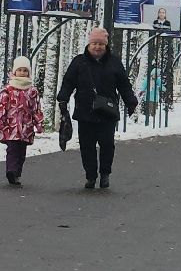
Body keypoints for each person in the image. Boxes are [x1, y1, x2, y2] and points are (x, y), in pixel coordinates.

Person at [57, 27, 139, 191]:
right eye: (94, 43)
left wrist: (131, 101)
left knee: (107, 144)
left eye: (101, 44)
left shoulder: (114, 62)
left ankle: (105, 174)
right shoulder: (79, 62)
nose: (97, 47)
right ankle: (90, 176)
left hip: (107, 112)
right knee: (87, 146)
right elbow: (68, 82)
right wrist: (63, 99)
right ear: (89, 44)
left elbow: (124, 85)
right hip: (85, 111)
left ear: (106, 45)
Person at [0, 55, 46, 186]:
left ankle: (17, 173)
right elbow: (1, 106)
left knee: (21, 152)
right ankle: (10, 170)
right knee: (12, 149)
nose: (22, 73)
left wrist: (38, 123)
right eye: (19, 70)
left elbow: (36, 108)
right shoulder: (8, 90)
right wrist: (0, 121)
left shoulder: (32, 91)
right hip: (10, 127)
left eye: (25, 70)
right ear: (14, 71)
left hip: (26, 128)